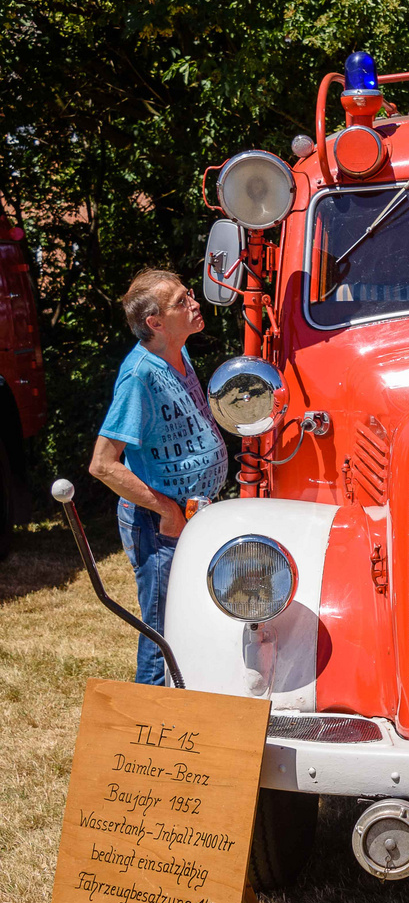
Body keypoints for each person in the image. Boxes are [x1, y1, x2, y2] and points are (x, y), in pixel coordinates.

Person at [89, 269, 227, 685]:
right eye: (183, 301)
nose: (195, 303)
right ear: (155, 323)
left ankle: (189, 706)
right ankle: (149, 734)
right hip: (158, 524)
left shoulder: (178, 353)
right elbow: (102, 464)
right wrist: (166, 509)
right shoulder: (139, 376)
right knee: (160, 630)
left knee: (192, 620)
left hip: (193, 515)